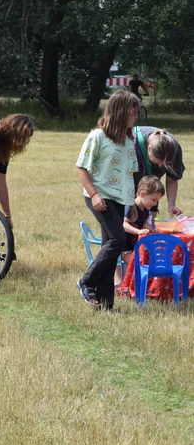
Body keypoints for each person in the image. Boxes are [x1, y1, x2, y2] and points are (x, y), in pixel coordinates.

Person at [76, 90, 139, 310]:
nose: (136, 113)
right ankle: (86, 281)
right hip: (99, 197)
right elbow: (81, 167)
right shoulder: (98, 136)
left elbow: (129, 175)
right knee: (118, 240)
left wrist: (130, 204)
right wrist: (94, 194)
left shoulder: (129, 141)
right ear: (121, 110)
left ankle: (105, 304)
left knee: (109, 245)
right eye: (133, 109)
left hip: (120, 200)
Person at [119, 175, 165, 289]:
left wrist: (147, 225)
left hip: (136, 248)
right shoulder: (131, 206)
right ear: (143, 194)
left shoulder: (145, 209)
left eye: (157, 201)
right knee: (143, 263)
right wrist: (138, 231)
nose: (154, 204)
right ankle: (136, 287)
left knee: (155, 259)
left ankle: (149, 287)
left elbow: (144, 221)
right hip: (125, 249)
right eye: (153, 200)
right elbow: (124, 224)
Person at [132, 126, 184, 216]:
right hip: (128, 183)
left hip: (151, 190)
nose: (160, 166)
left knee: (150, 223)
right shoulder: (131, 143)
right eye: (158, 161)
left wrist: (171, 205)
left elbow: (172, 179)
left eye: (166, 163)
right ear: (149, 149)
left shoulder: (174, 149)